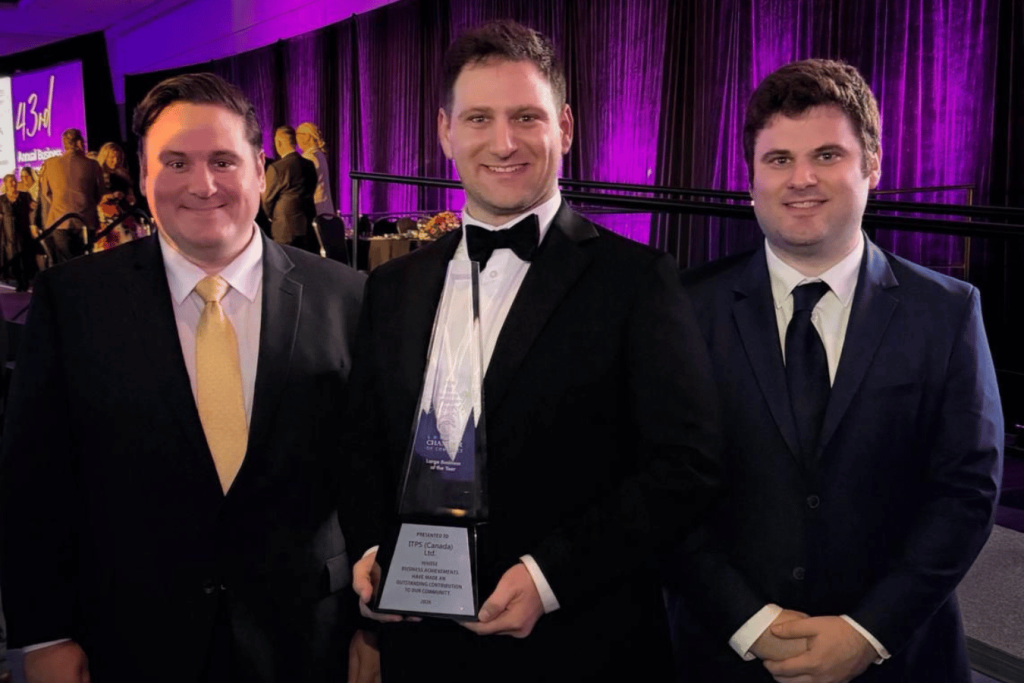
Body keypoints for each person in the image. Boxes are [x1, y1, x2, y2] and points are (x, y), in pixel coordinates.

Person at [345, 20, 720, 682]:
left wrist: (550, 578)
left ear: (566, 127)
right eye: (479, 118)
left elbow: (683, 468)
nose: (504, 142)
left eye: (527, 116)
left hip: (577, 643)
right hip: (423, 649)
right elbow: (363, 445)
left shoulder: (637, 280)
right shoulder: (391, 285)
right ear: (444, 131)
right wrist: (375, 550)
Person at [0, 72, 367, 683]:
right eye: (175, 162)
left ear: (259, 166)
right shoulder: (73, 301)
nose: (203, 184)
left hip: (310, 641)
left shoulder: (349, 296)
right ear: (142, 178)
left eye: (223, 159)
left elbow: (371, 474)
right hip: (129, 640)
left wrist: (374, 626)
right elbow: (34, 481)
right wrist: (43, 635)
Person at [667, 59, 1003, 683]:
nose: (801, 179)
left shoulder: (949, 313)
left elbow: (967, 493)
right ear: (750, 178)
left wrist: (869, 632)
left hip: (901, 656)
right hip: (723, 653)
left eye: (827, 155)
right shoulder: (685, 309)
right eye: (778, 160)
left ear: (872, 165)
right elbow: (660, 485)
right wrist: (749, 622)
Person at [37, 128, 104, 263]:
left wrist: (59, 204)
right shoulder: (92, 164)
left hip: (59, 220)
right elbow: (99, 193)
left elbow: (46, 193)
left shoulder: (50, 164)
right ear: (79, 143)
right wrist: (86, 203)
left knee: (65, 264)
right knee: (84, 262)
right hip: (86, 220)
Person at [262, 125, 317, 250]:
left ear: (279, 143)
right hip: (307, 228)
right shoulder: (309, 165)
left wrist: (272, 216)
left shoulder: (277, 168)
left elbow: (267, 199)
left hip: (285, 229)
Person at [93, 141, 145, 251]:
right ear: (105, 157)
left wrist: (131, 197)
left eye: (118, 158)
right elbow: (94, 197)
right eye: (112, 157)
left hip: (124, 214)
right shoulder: (98, 175)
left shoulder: (124, 174)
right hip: (107, 218)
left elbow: (131, 194)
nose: (115, 161)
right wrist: (110, 196)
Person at [0, 174, 38, 291]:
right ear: (5, 184)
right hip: (9, 235)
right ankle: (18, 281)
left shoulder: (25, 196)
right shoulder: (1, 200)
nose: (13, 183)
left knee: (25, 259)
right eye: (10, 182)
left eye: (14, 181)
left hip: (23, 233)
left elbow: (34, 207)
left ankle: (24, 282)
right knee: (13, 259)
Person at [296, 122, 336, 217]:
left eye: (298, 135)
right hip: (326, 210)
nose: (296, 139)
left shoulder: (309, 157)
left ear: (308, 137)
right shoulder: (320, 154)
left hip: (316, 210)